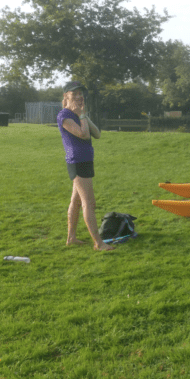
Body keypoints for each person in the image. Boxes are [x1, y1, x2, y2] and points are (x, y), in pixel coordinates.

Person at [57, 81, 114, 251]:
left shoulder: (79, 114)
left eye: (81, 93)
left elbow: (97, 134)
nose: (79, 96)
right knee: (89, 202)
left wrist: (84, 115)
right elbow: (83, 134)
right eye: (74, 93)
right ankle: (98, 243)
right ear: (66, 95)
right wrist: (81, 115)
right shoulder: (64, 115)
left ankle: (71, 238)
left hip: (85, 160)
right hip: (78, 162)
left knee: (75, 202)